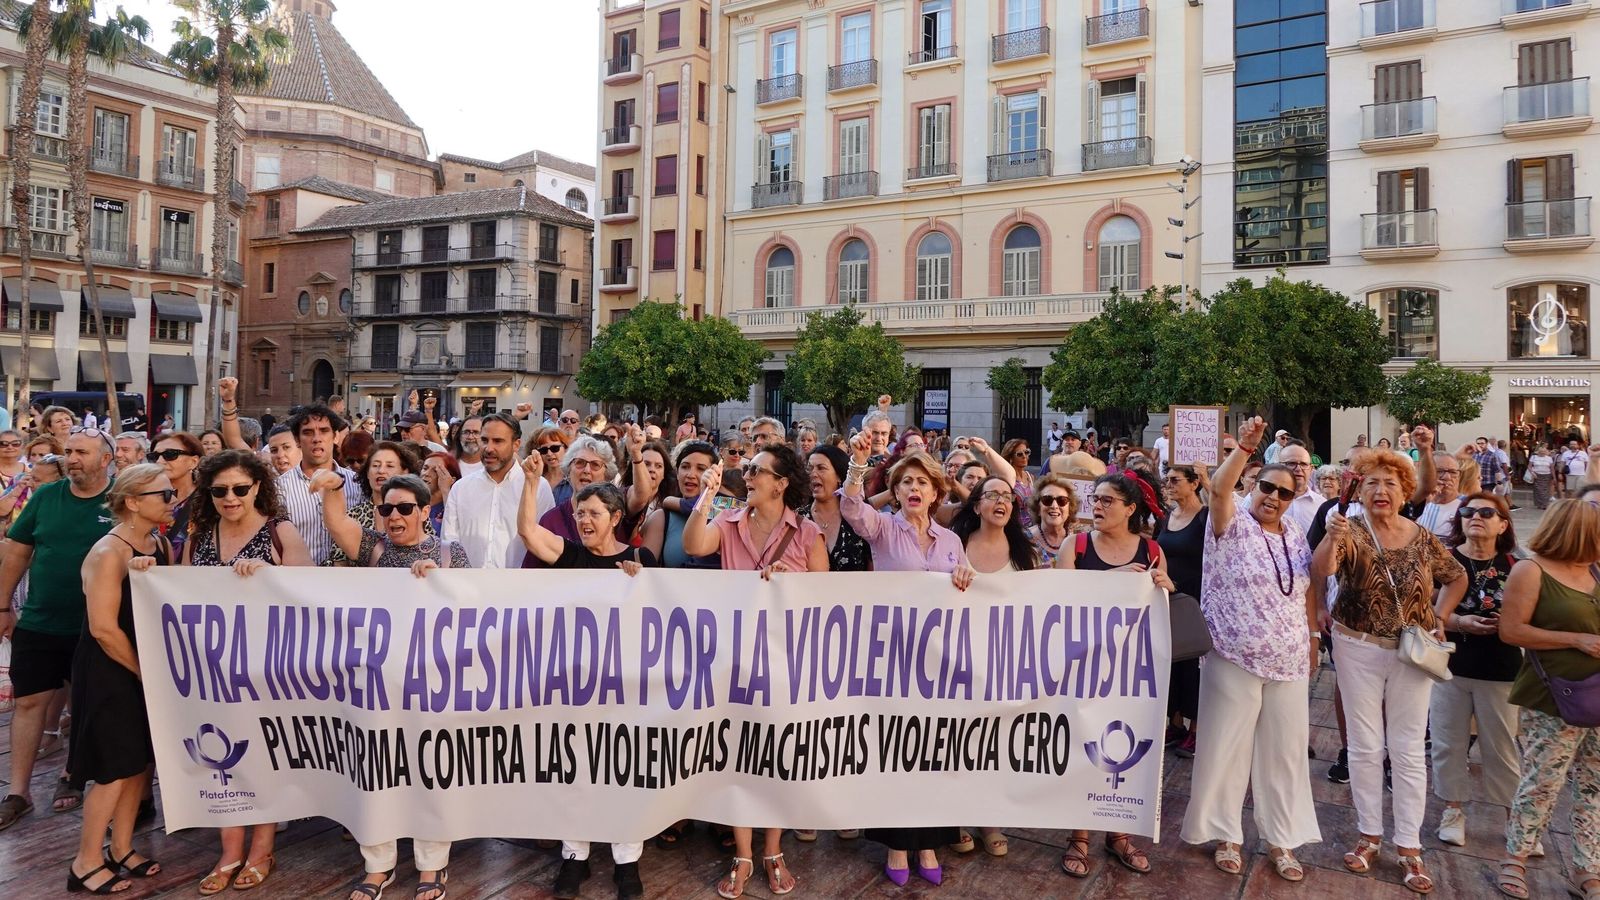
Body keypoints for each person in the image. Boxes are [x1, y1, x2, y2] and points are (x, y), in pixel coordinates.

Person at [1312, 448, 1467, 895]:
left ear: (1405, 492)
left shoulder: (1421, 536)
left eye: (1390, 484)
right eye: (1372, 483)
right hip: (1356, 647)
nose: (1381, 491)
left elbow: (1457, 576)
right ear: (1359, 491)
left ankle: (1409, 845)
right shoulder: (1350, 529)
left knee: (1407, 748)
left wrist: (1441, 616)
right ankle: (1369, 835)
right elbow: (1323, 568)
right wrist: (1331, 536)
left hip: (1411, 653)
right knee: (1364, 745)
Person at [1180, 417, 1320, 883]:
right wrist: (1243, 449)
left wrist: (1313, 638)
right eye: (1268, 487)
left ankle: (1282, 838)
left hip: (1289, 661)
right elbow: (1219, 489)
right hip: (1232, 656)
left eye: (1285, 493)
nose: (1274, 497)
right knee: (1227, 748)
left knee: (1285, 754)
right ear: (1253, 485)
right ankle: (1226, 835)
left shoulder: (1294, 534)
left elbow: (1306, 590)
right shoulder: (1231, 522)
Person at [309, 471, 460, 900]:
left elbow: (470, 610)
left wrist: (440, 582)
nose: (394, 516)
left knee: (432, 771)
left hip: (431, 685)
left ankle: (432, 864)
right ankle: (378, 865)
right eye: (387, 508)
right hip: (375, 685)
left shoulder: (451, 554)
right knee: (376, 771)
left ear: (425, 511)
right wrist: (333, 488)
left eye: (405, 508)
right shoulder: (373, 549)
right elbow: (337, 523)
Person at [683, 445, 825, 899]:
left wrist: (793, 585)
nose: (747, 476)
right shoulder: (728, 521)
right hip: (735, 659)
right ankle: (743, 853)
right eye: (746, 470)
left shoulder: (807, 533)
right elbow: (693, 545)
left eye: (756, 471)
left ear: (781, 483)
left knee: (780, 756)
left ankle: (773, 848)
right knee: (739, 757)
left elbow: (826, 600)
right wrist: (707, 496)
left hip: (786, 662)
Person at [835, 432, 974, 885]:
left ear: (935, 492)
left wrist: (966, 573)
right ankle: (897, 845)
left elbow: (965, 592)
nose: (914, 488)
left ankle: (929, 843)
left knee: (934, 752)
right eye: (906, 482)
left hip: (939, 666)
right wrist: (857, 464)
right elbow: (851, 508)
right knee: (896, 750)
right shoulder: (883, 528)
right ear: (895, 492)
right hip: (892, 661)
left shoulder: (950, 540)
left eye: (922, 482)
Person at [517, 466, 649, 899]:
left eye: (594, 513)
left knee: (625, 770)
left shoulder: (642, 560)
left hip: (626, 688)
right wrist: (531, 483)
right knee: (574, 769)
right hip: (574, 685)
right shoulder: (570, 555)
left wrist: (642, 583)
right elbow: (528, 532)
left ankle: (627, 860)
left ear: (615, 517)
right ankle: (575, 854)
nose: (584, 520)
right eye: (579, 513)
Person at [185, 451, 310, 893]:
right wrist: (148, 572)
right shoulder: (201, 535)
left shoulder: (280, 531)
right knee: (221, 759)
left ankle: (261, 849)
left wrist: (271, 574)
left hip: (268, 668)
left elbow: (312, 591)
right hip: (213, 669)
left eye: (240, 488)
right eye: (219, 490)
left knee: (263, 759)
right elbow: (180, 593)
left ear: (258, 487)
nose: (230, 497)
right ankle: (229, 851)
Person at [1054, 470, 1172, 879]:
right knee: (1083, 745)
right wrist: (1110, 580)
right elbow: (1057, 599)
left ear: (1130, 508)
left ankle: (1118, 833)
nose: (1098, 507)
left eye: (1107, 500)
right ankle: (1079, 836)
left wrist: (1166, 584)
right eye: (1096, 499)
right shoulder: (1076, 544)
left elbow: (1161, 605)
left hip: (1131, 669)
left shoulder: (1152, 549)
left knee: (1126, 746)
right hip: (1083, 665)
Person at [61, 464, 174, 894]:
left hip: (142, 667)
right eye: (163, 495)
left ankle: (122, 847)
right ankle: (86, 861)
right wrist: (147, 674)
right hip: (110, 669)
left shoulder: (159, 542)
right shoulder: (108, 552)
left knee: (137, 764)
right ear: (132, 502)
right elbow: (103, 630)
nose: (172, 501)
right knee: (113, 768)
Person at [0, 429, 115, 832]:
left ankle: (72, 774)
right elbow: (17, 551)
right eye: (68, 451)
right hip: (40, 619)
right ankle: (18, 792)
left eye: (82, 452)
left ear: (105, 459)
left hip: (96, 623)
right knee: (28, 702)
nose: (72, 458)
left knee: (83, 702)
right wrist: (2, 605)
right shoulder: (47, 496)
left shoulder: (122, 498)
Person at [1496, 498, 1600, 900]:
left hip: (1597, 695)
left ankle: (1587, 868)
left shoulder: (1595, 570)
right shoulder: (1531, 570)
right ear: (1579, 532)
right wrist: (1576, 639)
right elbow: (1511, 630)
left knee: (1593, 787)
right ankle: (1515, 859)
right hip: (1555, 696)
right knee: (1542, 781)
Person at [948, 473, 1038, 859]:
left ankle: (988, 820)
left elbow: (1046, 598)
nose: (1002, 501)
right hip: (956, 660)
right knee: (957, 741)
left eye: (1007, 496)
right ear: (976, 504)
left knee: (993, 744)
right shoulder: (954, 544)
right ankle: (955, 818)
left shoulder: (1025, 551)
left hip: (1002, 664)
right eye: (993, 494)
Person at [1430, 492, 1523, 853]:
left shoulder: (1517, 565)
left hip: (1500, 669)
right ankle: (1452, 811)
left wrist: (1509, 623)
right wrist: (1460, 622)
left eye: (1487, 512)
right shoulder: (1444, 559)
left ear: (1503, 525)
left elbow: (1532, 613)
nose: (1476, 517)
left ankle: (1516, 817)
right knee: (1448, 742)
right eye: (1468, 511)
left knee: (1501, 747)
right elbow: (1422, 607)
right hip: (1449, 666)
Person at [443, 412, 553, 569]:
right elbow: (449, 542)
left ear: (516, 445)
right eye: (484, 440)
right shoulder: (461, 488)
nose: (488, 448)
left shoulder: (538, 486)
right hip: (468, 581)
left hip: (521, 582)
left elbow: (546, 542)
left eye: (498, 441)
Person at [276, 403, 365, 566]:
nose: (316, 439)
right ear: (297, 440)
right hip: (300, 577)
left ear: (336, 437)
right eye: (308, 432)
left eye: (324, 431)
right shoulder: (279, 488)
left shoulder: (358, 484)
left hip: (348, 577)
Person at [1160, 464, 1208, 759]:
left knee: (1193, 665)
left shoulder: (1205, 517)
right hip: (1169, 597)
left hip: (1196, 598)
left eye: (1175, 480)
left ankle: (1196, 729)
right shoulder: (1168, 516)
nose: (1169, 484)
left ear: (1194, 483)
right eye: (1167, 480)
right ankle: (1175, 722)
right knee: (1173, 662)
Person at [327, 440, 428, 566]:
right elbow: (339, 561)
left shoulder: (417, 512)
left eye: (389, 466)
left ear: (405, 472)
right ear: (367, 473)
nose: (381, 471)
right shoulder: (353, 515)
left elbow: (429, 550)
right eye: (375, 465)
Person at [639, 440, 724, 570]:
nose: (690, 475)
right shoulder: (661, 518)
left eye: (701, 469)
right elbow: (644, 571)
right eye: (685, 467)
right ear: (677, 473)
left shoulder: (726, 515)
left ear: (716, 475)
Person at [147, 430, 203, 560]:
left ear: (194, 461)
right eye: (154, 456)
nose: (160, 461)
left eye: (170, 454)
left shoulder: (209, 499)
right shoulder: (144, 497)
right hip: (151, 569)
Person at [1027, 473, 1079, 566]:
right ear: (1038, 507)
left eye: (1062, 501)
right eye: (1047, 500)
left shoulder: (1078, 540)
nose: (1054, 506)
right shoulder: (1024, 540)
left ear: (1070, 508)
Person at [422, 451, 460, 537]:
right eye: (425, 468)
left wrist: (446, 490)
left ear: (451, 479)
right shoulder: (411, 502)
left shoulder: (457, 506)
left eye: (435, 471)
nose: (426, 474)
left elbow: (457, 531)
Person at [1527, 443, 1555, 509]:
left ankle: (1545, 504)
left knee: (1545, 490)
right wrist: (1532, 473)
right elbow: (1529, 466)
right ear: (1538, 452)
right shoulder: (1534, 457)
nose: (1542, 453)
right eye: (1541, 451)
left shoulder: (1549, 458)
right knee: (1538, 490)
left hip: (1546, 475)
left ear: (1546, 452)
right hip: (1536, 475)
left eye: (1544, 451)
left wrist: (1554, 477)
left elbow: (1552, 468)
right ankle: (1539, 504)